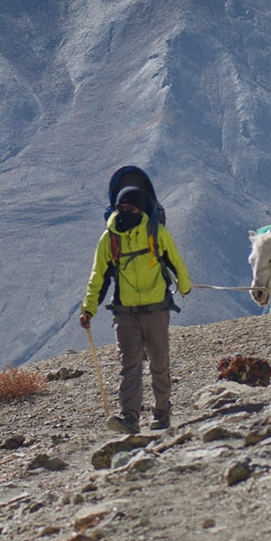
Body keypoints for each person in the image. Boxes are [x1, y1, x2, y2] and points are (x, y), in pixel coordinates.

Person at [80, 185, 192, 434]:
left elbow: (175, 261)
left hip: (156, 310)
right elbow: (98, 276)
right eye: (121, 208)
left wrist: (185, 286)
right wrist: (89, 308)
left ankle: (161, 413)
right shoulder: (110, 238)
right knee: (130, 366)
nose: (124, 213)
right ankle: (129, 417)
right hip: (125, 313)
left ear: (140, 209)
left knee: (159, 363)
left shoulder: (156, 233)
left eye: (130, 208)